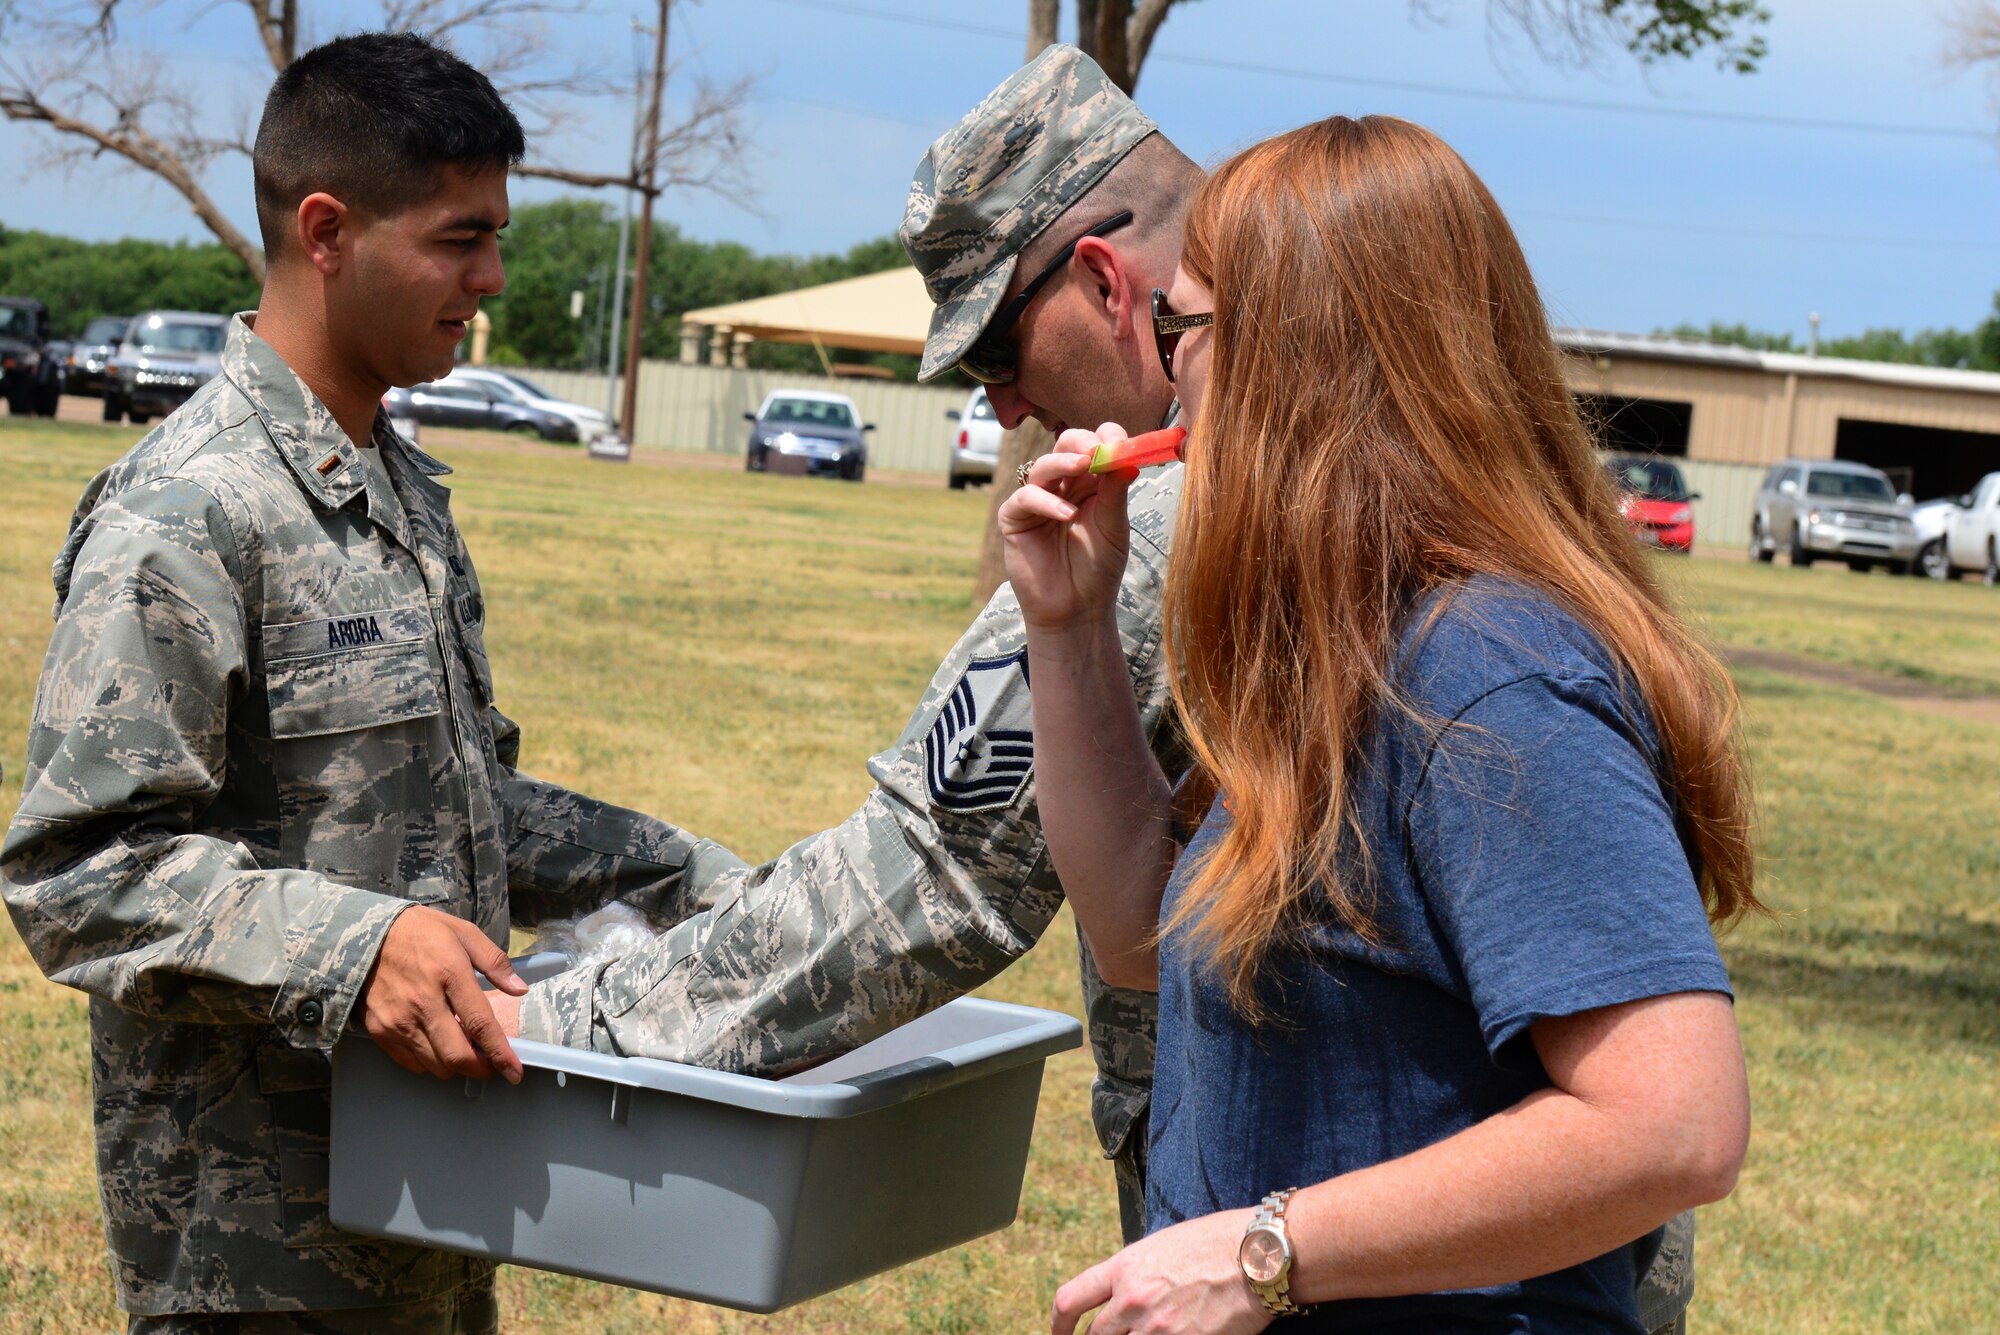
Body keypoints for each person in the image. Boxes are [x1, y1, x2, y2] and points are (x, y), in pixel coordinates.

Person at [501, 44, 1700, 1335]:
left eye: (1000, 352)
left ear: (1114, 288)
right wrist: (1064, 628)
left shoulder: (1466, 647)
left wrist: (562, 1026)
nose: (1004, 401)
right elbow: (1139, 921)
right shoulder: (1316, 562)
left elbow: (929, 872)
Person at [997, 114, 1760, 1335]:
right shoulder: (1342, 643)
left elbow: (1672, 1125)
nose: (1163, 365)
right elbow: (1144, 941)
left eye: (1181, 325)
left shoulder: (1480, 676)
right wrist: (1068, 628)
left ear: (1299, 359)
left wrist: (1259, 1252)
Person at [1, 33, 700, 1332]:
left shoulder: (394, 487)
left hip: (432, 1220)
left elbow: (456, 804)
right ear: (326, 230)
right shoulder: (188, 508)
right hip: (260, 1256)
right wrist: (358, 941)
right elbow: (77, 870)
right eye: (458, 239)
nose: (489, 280)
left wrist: (686, 876)